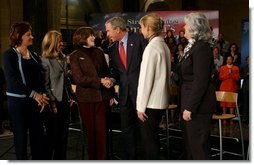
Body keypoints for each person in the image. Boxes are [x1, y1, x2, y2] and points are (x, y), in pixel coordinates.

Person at [3, 22, 49, 160]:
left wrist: (43, 96)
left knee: (38, 138)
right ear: (19, 36)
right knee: (21, 139)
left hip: (35, 102)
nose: (32, 37)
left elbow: (40, 78)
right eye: (28, 34)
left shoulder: (34, 55)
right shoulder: (8, 55)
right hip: (17, 103)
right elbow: (13, 81)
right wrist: (35, 95)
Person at [105, 16, 147, 159]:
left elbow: (147, 67)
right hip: (124, 95)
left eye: (109, 30)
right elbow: (116, 71)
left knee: (143, 129)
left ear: (117, 29)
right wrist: (111, 79)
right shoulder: (112, 48)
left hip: (141, 93)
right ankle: (131, 157)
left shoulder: (139, 40)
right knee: (127, 129)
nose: (107, 34)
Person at [69, 27, 114, 160]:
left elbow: (107, 73)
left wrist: (110, 89)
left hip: (102, 98)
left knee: (102, 133)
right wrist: (100, 80)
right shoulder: (75, 56)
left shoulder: (99, 52)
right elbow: (79, 79)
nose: (94, 37)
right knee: (91, 134)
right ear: (82, 37)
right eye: (91, 36)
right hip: (86, 99)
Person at [179, 13, 216, 159]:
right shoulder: (193, 46)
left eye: (186, 25)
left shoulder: (202, 48)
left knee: (199, 148)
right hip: (189, 101)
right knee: (191, 146)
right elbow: (185, 71)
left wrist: (190, 107)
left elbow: (201, 81)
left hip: (198, 107)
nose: (184, 27)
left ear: (194, 28)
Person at [136, 13, 171, 159]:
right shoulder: (164, 45)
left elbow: (145, 80)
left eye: (142, 27)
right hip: (160, 101)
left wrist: (140, 107)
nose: (140, 30)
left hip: (150, 104)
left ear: (149, 28)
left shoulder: (152, 47)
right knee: (153, 139)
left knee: (149, 142)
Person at [41, 30, 74, 159]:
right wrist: (52, 103)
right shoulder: (44, 60)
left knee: (63, 137)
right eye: (59, 41)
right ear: (52, 42)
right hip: (52, 103)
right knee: (52, 137)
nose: (61, 43)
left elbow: (66, 80)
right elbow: (45, 85)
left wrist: (71, 96)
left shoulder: (62, 59)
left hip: (64, 101)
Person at [219, 55, 240, 125]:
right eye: (228, 59)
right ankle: (224, 119)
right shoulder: (222, 67)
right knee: (224, 104)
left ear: (232, 60)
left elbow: (237, 78)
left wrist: (232, 74)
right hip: (224, 87)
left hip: (232, 88)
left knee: (232, 105)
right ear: (226, 60)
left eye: (230, 59)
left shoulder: (236, 68)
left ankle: (231, 119)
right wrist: (228, 74)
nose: (229, 60)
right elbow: (220, 78)